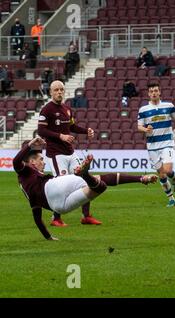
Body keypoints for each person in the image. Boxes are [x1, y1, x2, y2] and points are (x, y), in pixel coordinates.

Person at [13, 137, 158, 240]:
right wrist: (31, 144)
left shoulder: (27, 186)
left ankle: (86, 175)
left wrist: (48, 237)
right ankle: (139, 178)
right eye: (41, 160)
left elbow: (37, 219)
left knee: (99, 187)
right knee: (99, 179)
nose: (43, 163)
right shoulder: (25, 171)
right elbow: (16, 161)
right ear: (31, 162)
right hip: (52, 187)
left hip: (58, 206)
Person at [37, 80, 101, 227]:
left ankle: (86, 216)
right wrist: (61, 136)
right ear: (51, 92)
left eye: (61, 89)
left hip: (70, 153)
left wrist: (86, 131)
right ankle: (56, 218)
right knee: (62, 185)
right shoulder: (46, 109)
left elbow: (71, 126)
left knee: (85, 179)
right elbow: (41, 131)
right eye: (56, 90)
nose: (59, 92)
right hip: (56, 154)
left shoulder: (67, 109)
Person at [137, 83, 175, 207]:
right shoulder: (143, 110)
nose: (154, 93)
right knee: (161, 174)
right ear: (148, 94)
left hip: (167, 143)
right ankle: (171, 198)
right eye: (151, 91)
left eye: (156, 91)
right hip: (152, 146)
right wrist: (145, 130)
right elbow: (139, 126)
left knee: (168, 170)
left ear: (159, 92)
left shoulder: (169, 106)